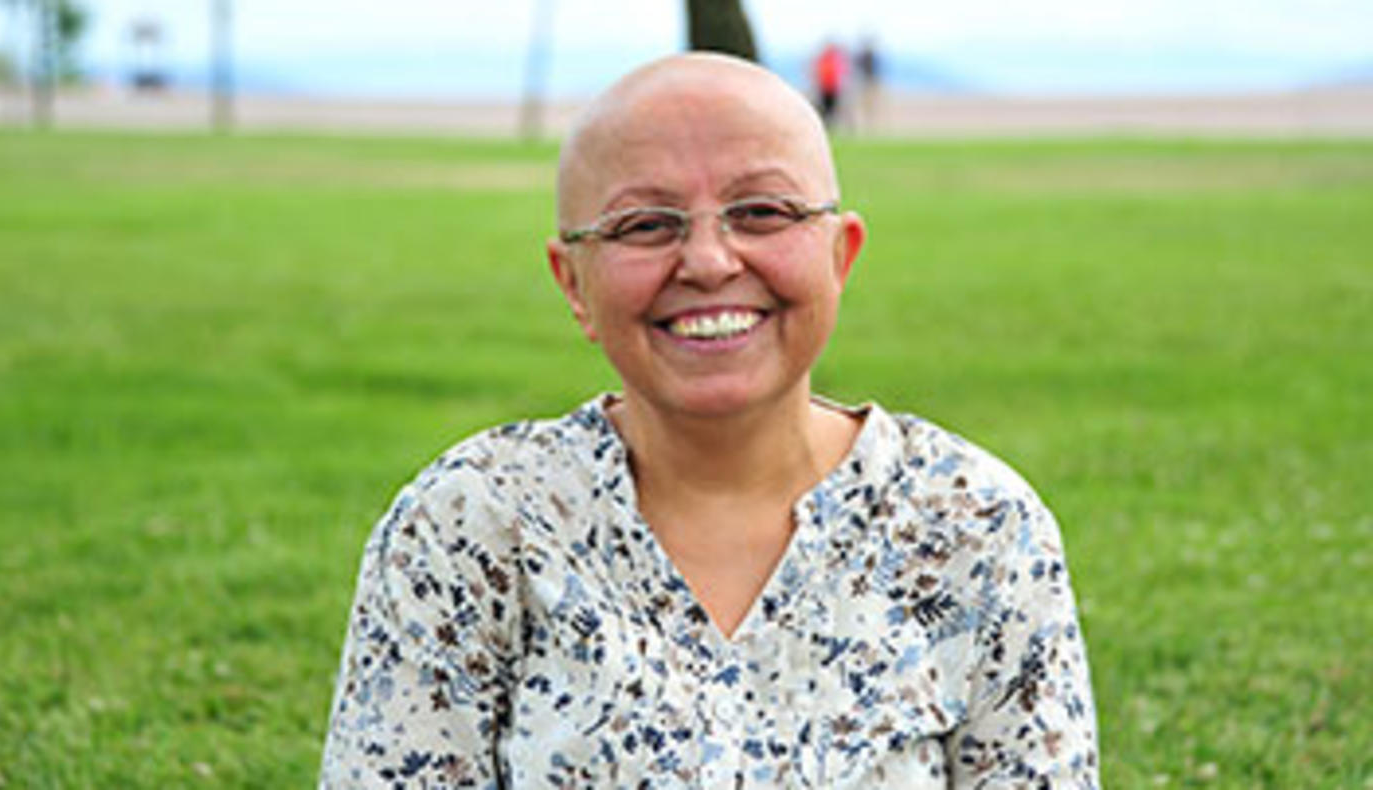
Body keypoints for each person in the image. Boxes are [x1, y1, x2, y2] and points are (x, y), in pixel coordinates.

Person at [321, 53, 1099, 788]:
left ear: (840, 256)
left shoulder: (975, 524)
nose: (708, 261)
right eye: (644, 225)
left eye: (762, 212)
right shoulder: (471, 526)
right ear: (573, 283)